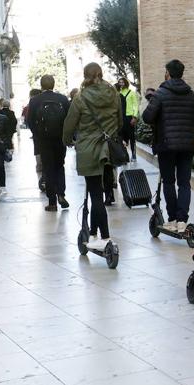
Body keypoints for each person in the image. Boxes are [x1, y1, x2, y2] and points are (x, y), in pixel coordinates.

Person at [63, 62, 122, 250]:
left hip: (89, 149)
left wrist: (67, 140)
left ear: (86, 76)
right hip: (108, 148)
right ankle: (95, 232)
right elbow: (120, 121)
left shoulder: (80, 98)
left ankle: (104, 237)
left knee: (95, 194)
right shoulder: (114, 93)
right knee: (103, 190)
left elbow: (69, 125)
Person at [142, 59, 194, 233]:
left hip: (166, 145)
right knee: (184, 183)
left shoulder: (160, 93)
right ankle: (183, 220)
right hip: (187, 145)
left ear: (168, 73)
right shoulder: (191, 94)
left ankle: (173, 218)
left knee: (169, 181)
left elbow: (147, 117)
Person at [27, 75, 70, 211]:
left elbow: (30, 121)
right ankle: (61, 194)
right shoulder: (62, 99)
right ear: (54, 84)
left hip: (43, 141)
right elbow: (69, 119)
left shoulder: (34, 101)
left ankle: (52, 201)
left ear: (41, 85)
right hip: (60, 139)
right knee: (59, 166)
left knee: (48, 168)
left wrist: (37, 135)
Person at [118, 77, 139, 161]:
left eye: (122, 82)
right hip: (121, 118)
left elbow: (135, 105)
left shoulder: (131, 93)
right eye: (120, 82)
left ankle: (133, 155)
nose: (121, 84)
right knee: (122, 137)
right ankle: (124, 155)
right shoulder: (118, 93)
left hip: (129, 117)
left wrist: (134, 117)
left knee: (132, 137)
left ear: (126, 83)